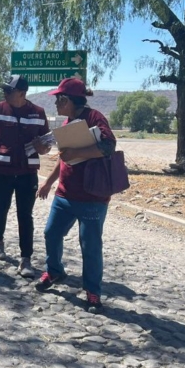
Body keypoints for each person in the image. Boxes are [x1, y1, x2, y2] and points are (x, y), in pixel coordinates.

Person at [35, 77, 117, 313]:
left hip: (92, 198)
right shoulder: (68, 124)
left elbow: (109, 146)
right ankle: (54, 271)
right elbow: (65, 159)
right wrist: (49, 183)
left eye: (59, 100)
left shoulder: (95, 118)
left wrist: (77, 151)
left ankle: (92, 291)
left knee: (90, 246)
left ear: (69, 100)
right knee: (51, 233)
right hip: (65, 195)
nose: (56, 105)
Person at [0, 75, 50, 279]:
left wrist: (41, 148)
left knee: (25, 215)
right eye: (4, 90)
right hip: (1, 172)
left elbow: (46, 148)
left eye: (8, 90)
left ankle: (26, 258)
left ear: (22, 93)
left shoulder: (38, 113)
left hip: (27, 174)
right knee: (0, 210)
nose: (5, 93)